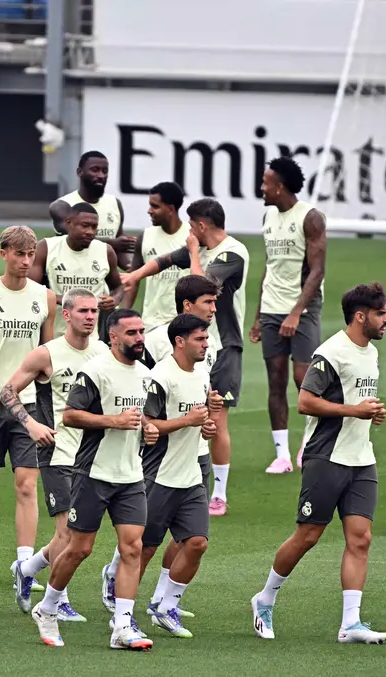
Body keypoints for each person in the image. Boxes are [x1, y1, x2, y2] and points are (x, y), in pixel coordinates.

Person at [250, 283, 386, 645]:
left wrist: (369, 413)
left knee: (360, 539)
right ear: (361, 316)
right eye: (381, 314)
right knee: (308, 535)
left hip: (362, 459)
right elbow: (305, 402)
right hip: (327, 457)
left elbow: (357, 400)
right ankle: (264, 599)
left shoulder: (370, 352)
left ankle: (350, 624)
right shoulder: (330, 353)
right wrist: (354, 410)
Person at [29, 309, 157, 651]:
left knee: (133, 548)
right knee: (79, 548)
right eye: (132, 333)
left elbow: (143, 418)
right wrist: (112, 421)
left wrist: (149, 428)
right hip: (93, 473)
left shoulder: (146, 374)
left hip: (130, 476)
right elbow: (70, 415)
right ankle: (48, 609)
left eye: (142, 331)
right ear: (113, 337)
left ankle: (123, 627)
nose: (140, 338)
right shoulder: (95, 372)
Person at [121, 198, 250, 517]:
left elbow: (202, 286)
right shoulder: (201, 246)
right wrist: (134, 276)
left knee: (216, 417)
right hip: (193, 345)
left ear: (202, 226)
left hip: (224, 345)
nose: (189, 232)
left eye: (192, 226)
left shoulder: (231, 253)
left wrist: (193, 252)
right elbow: (165, 260)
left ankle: (218, 492)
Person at [1, 287, 107, 623]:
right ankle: (56, 600)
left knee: (79, 534)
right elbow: (7, 390)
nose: (90, 317)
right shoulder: (47, 354)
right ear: (67, 314)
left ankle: (27, 568)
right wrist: (30, 424)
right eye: (83, 312)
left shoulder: (103, 352)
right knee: (68, 534)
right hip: (57, 451)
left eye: (93, 312)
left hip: (92, 455)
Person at [0, 226, 57, 585]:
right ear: (4, 254)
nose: (26, 261)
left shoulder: (44, 297)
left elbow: (47, 353)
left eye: (31, 254)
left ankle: (23, 566)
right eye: (19, 254)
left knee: (26, 485)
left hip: (28, 404)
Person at [129, 274, 220, 618]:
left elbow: (198, 417)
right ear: (180, 342)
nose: (207, 345)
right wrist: (188, 421)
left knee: (196, 542)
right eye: (200, 339)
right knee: (144, 548)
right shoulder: (160, 377)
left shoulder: (201, 372)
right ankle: (121, 609)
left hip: (192, 471)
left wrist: (206, 426)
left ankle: (165, 606)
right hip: (161, 473)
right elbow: (148, 425)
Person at [250, 157, 327, 475]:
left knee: (303, 379)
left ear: (279, 186)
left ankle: (309, 443)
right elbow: (270, 266)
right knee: (276, 380)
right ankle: (282, 454)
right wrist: (258, 315)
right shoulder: (268, 216)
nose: (262, 188)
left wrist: (296, 312)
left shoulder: (310, 217)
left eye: (266, 183)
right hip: (271, 309)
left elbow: (317, 269)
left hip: (303, 310)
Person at [32, 203, 123, 339]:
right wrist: (63, 300)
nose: (90, 232)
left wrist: (114, 299)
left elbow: (118, 287)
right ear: (68, 223)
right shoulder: (46, 248)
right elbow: (30, 288)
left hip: (91, 338)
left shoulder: (106, 251)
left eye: (94, 227)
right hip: (55, 336)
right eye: (85, 225)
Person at [49, 150, 136, 273]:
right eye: (95, 170)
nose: (101, 175)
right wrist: (112, 244)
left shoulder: (114, 203)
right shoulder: (62, 205)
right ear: (80, 172)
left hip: (102, 281)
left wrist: (130, 267)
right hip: (69, 277)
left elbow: (119, 246)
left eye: (105, 171)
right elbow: (75, 239)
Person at [133, 182, 189, 332]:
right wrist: (122, 315)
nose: (149, 211)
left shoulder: (193, 235)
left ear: (170, 209)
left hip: (184, 325)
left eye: (155, 206)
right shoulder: (145, 237)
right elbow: (133, 280)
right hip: (151, 324)